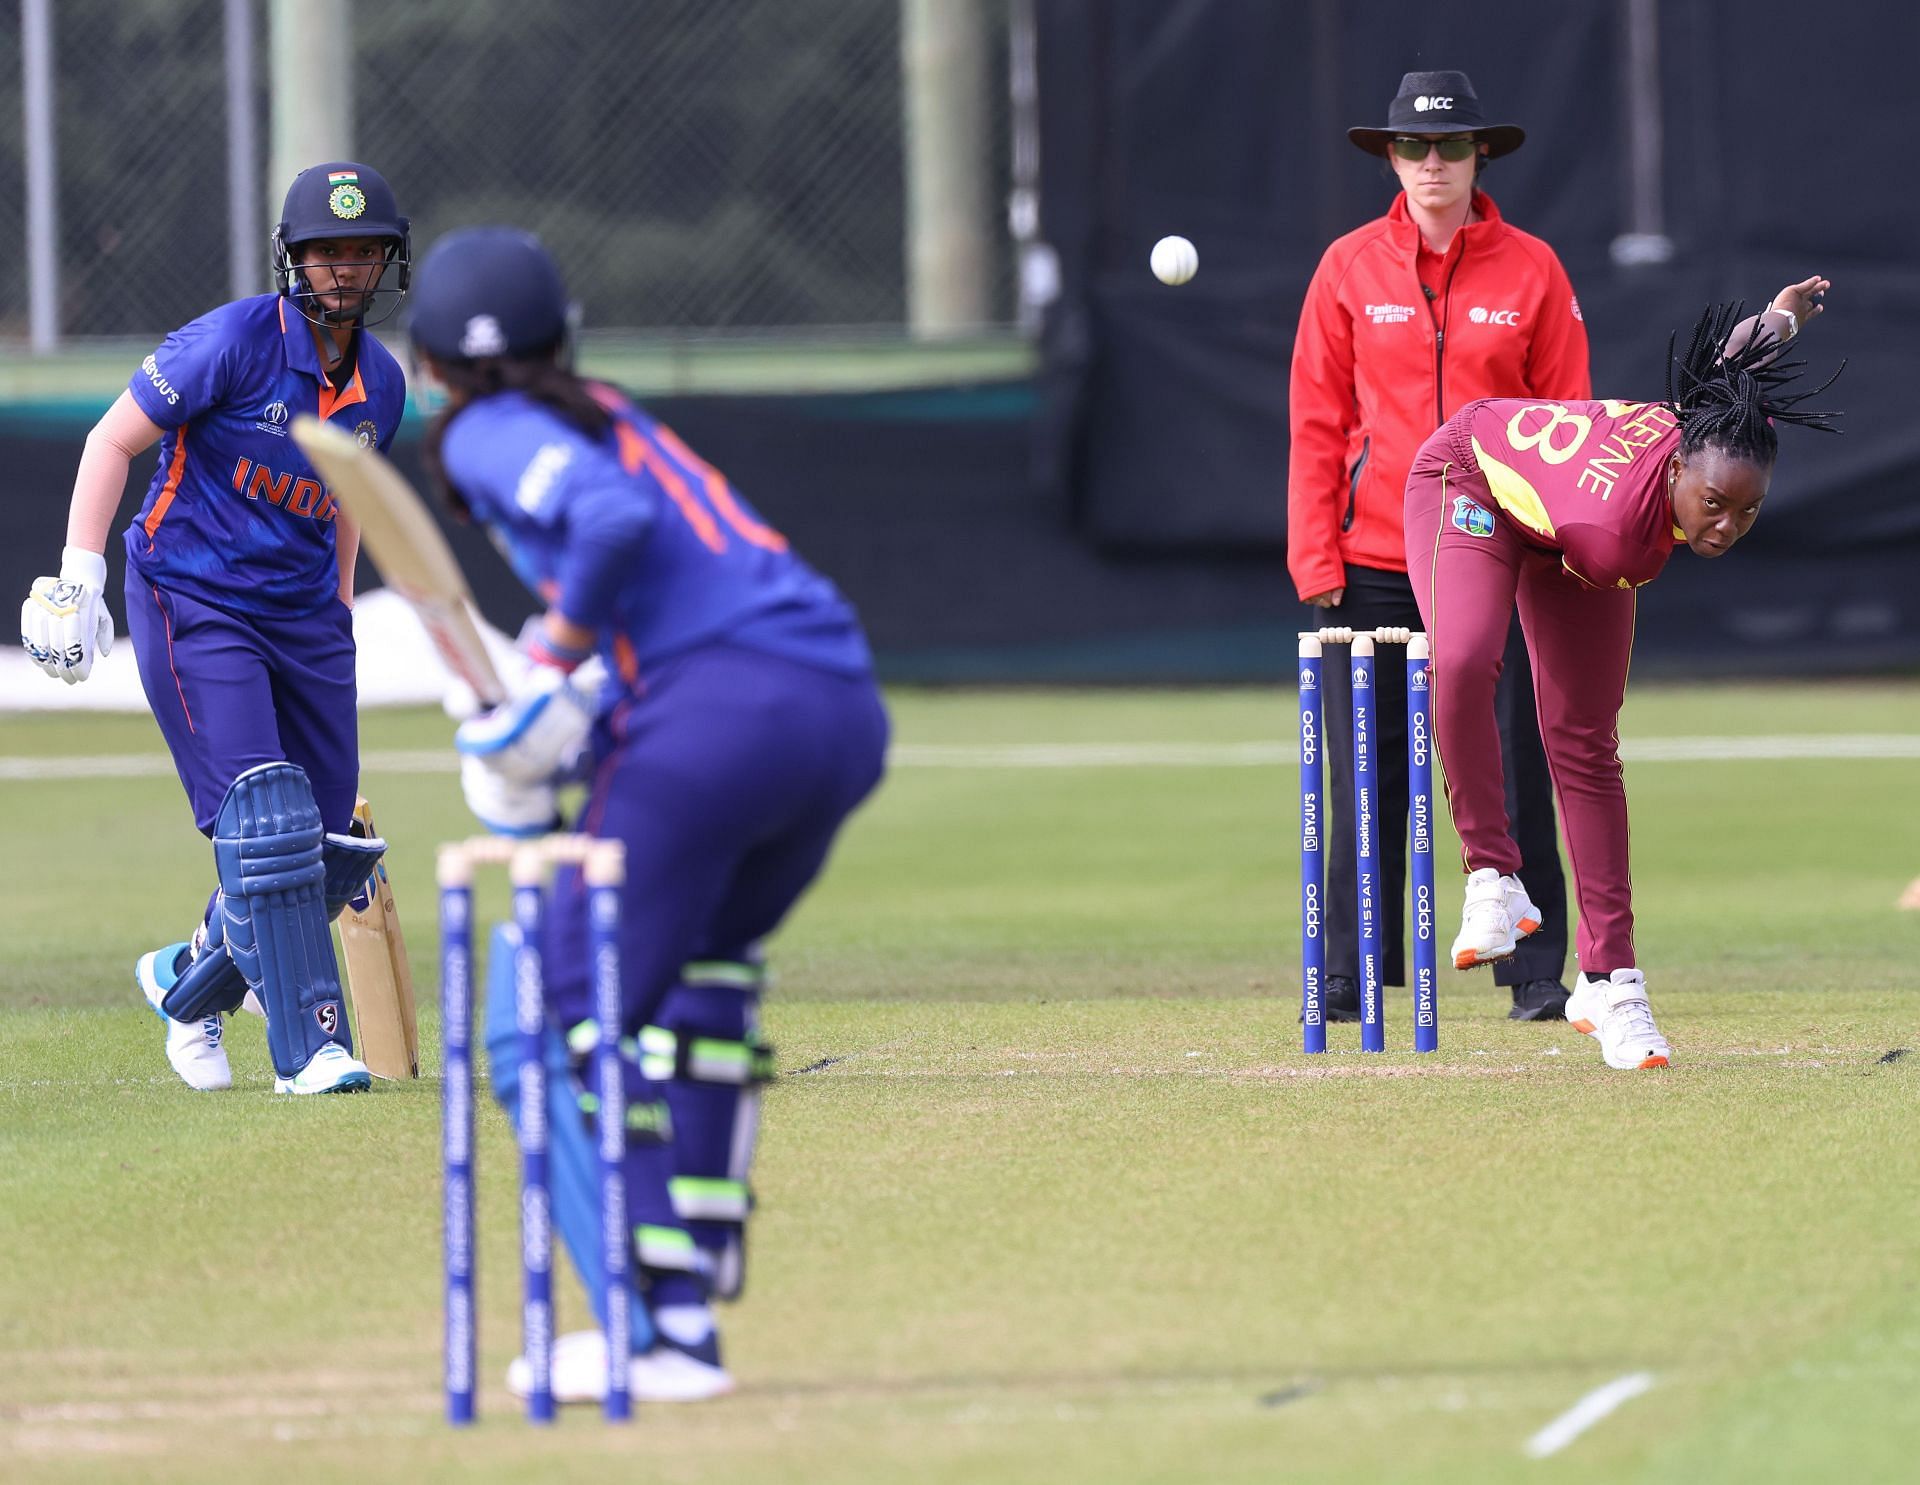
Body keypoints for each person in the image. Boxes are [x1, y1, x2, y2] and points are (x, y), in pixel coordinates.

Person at [407, 226, 889, 1402]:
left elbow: (611, 525)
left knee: (547, 1022)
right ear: (564, 337)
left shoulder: (485, 428)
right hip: (837, 703)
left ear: (428, 365)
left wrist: (549, 670)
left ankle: (659, 1328)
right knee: (698, 976)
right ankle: (700, 1257)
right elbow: (657, 555)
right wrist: (573, 714)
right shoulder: (609, 408)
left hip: (716, 711)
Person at [18, 162, 411, 1095]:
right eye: (327, 254)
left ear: (388, 262)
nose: (345, 272)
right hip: (194, 598)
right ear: (293, 261)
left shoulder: (384, 387)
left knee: (322, 844)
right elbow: (110, 438)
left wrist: (343, 612)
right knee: (264, 819)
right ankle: (308, 1052)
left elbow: (346, 500)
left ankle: (189, 984)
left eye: (363, 253)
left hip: (304, 611)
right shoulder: (231, 342)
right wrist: (79, 578)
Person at [1405, 282, 1838, 1070]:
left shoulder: (1710, 427)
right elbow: (1585, 543)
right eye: (1712, 503)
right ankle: (1494, 875)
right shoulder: (1621, 546)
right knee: (1464, 658)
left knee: (1585, 744)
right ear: (1677, 464)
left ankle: (1611, 979)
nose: (1724, 527)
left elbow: (1733, 360)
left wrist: (1779, 316)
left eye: (1746, 512)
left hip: (1564, 519)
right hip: (1471, 476)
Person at [1289, 70, 1587, 1021]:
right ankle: (1349, 973)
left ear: (1479, 156)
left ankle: (1537, 975)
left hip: (1493, 552)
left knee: (1513, 752)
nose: (1432, 164)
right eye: (1414, 148)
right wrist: (1314, 557)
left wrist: (1561, 549)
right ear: (1390, 156)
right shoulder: (1347, 267)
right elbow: (1318, 421)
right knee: (1365, 773)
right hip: (1372, 556)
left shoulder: (1533, 268)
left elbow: (1566, 421)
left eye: (1451, 147)